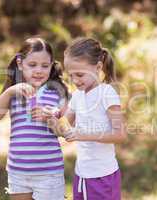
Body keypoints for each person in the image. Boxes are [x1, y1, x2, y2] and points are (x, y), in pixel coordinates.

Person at [0, 37, 69, 200]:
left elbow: (67, 132)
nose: (38, 70)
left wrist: (50, 120)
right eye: (32, 65)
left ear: (52, 65)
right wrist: (9, 92)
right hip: (18, 171)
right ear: (20, 63)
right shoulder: (13, 94)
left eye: (45, 66)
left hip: (48, 172)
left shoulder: (57, 93)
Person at [49, 37, 126, 200]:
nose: (75, 80)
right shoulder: (77, 96)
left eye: (80, 74)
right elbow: (64, 127)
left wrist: (82, 134)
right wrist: (52, 119)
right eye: (71, 76)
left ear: (98, 67)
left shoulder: (107, 94)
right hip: (82, 174)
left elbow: (119, 135)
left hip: (103, 176)